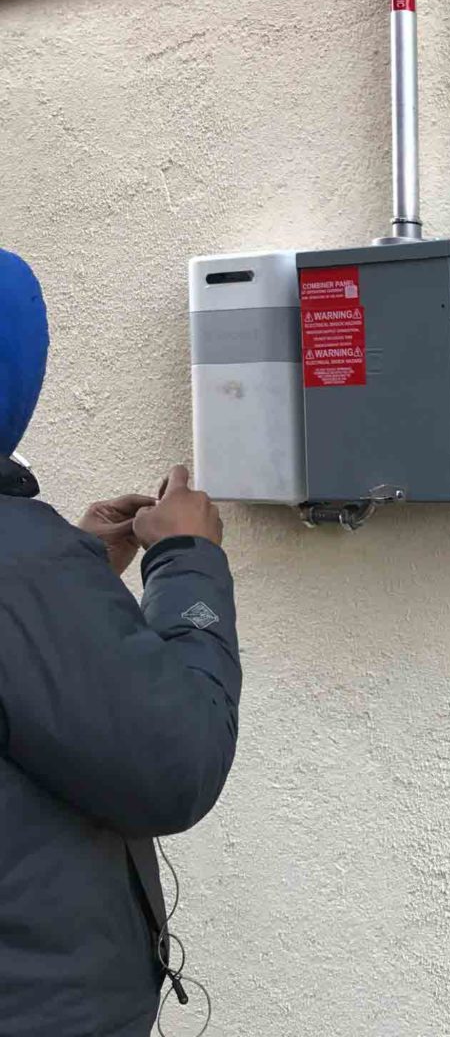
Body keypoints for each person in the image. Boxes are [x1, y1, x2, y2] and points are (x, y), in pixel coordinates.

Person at [0, 249, 241, 1036]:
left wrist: (79, 573)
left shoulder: (30, 576)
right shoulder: (20, 572)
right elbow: (176, 762)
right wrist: (187, 562)